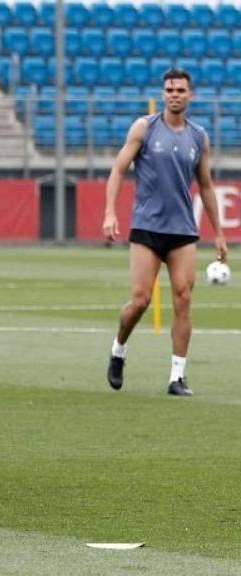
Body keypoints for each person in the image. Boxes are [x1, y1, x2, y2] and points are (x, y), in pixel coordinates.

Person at [104, 68, 228, 397]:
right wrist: (110, 212)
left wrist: (218, 233)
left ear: (191, 95)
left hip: (183, 230)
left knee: (184, 300)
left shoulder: (198, 137)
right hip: (146, 226)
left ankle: (177, 377)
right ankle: (118, 349)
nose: (175, 94)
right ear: (164, 93)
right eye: (170, 89)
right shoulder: (144, 128)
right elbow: (118, 169)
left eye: (181, 90)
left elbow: (206, 186)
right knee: (141, 300)